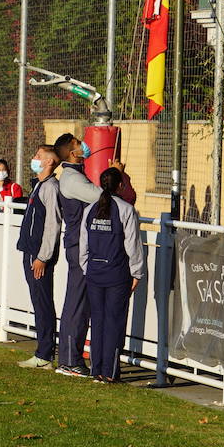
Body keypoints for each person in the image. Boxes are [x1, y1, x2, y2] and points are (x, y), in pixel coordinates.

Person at [53, 132, 136, 377]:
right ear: (71, 152)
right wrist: (116, 176)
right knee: (77, 303)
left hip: (87, 249)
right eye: (79, 144)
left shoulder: (76, 175)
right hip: (82, 250)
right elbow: (104, 198)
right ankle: (69, 359)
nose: (85, 147)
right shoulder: (71, 179)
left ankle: (76, 358)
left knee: (86, 305)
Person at [78, 167, 145, 383]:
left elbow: (83, 246)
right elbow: (133, 245)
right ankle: (109, 372)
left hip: (95, 274)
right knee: (114, 324)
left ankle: (95, 369)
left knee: (97, 322)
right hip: (117, 274)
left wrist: (87, 269)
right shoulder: (126, 209)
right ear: (120, 186)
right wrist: (137, 272)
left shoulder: (89, 210)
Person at [16, 145, 64, 369]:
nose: (33, 159)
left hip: (38, 257)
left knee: (43, 302)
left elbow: (52, 225)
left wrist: (43, 257)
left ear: (49, 163)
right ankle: (43, 351)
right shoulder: (39, 186)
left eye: (38, 156)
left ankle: (45, 355)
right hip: (30, 252)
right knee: (38, 301)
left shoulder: (51, 187)